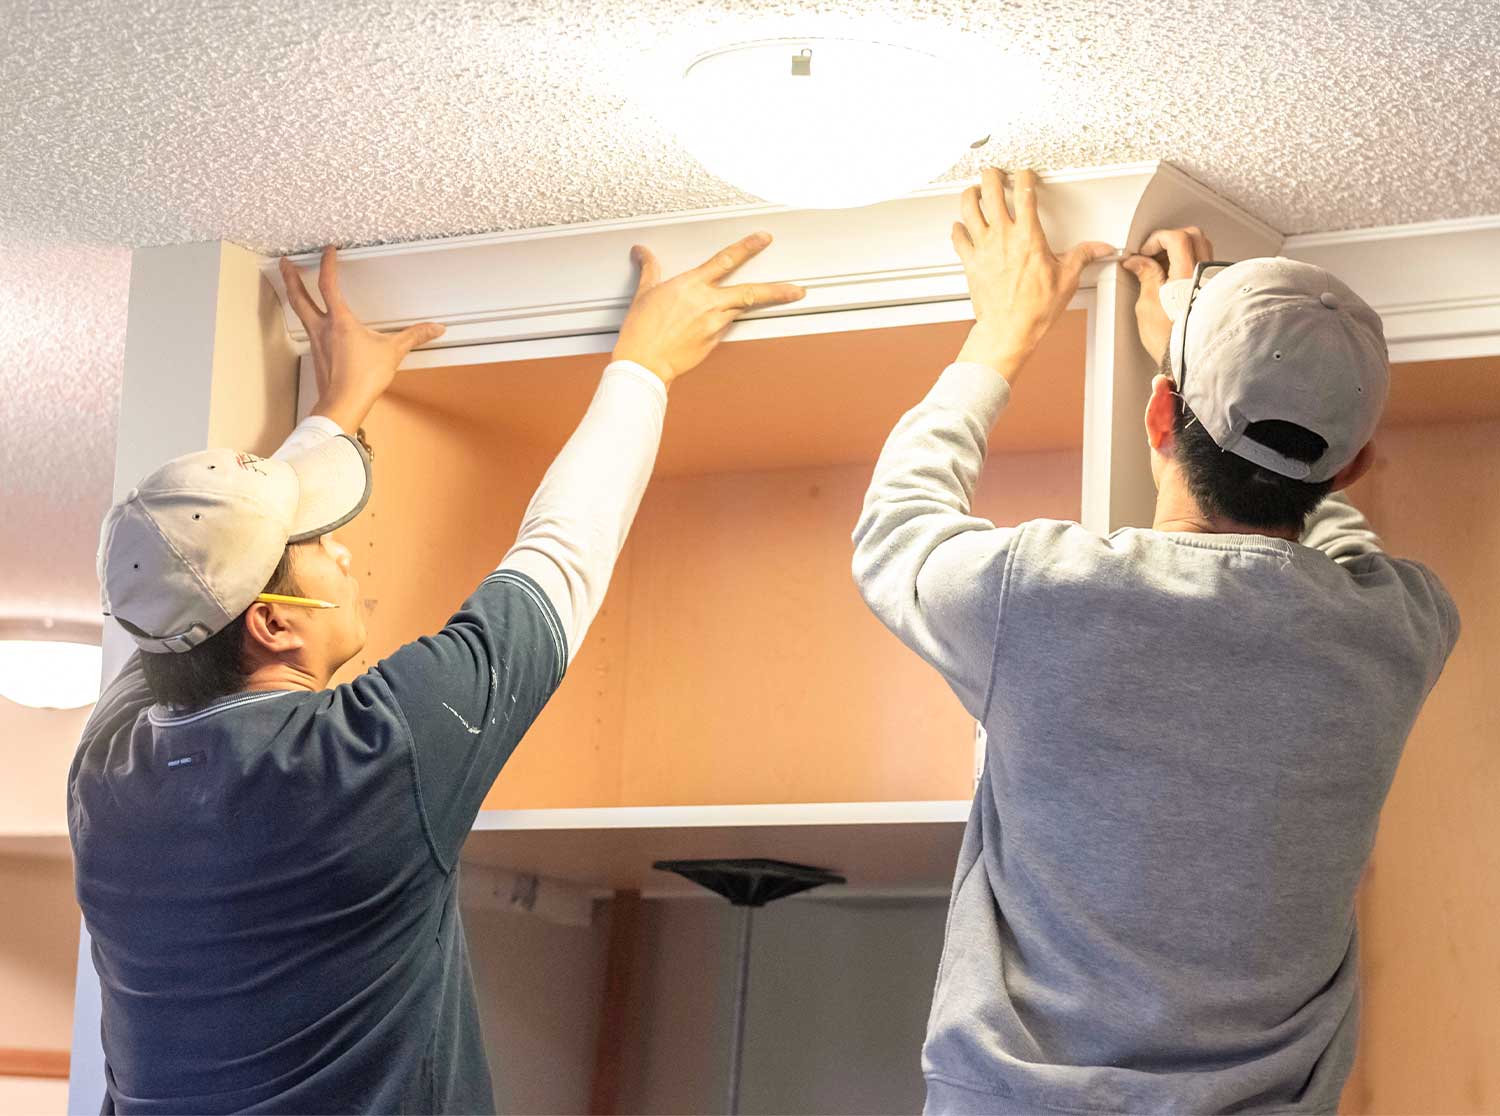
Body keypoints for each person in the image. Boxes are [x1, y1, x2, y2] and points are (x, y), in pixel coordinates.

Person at [69, 234, 804, 1115]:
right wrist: (645, 363)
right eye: (315, 547)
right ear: (270, 623)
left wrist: (336, 407)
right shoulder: (365, 758)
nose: (343, 550)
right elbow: (559, 560)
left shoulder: (110, 769)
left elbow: (186, 604)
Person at [853, 167, 1460, 1115]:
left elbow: (897, 525)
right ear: (1354, 465)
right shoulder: (1403, 629)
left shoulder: (1037, 595)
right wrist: (1203, 359)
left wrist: (1002, 330)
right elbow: (1339, 547)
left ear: (1157, 415)